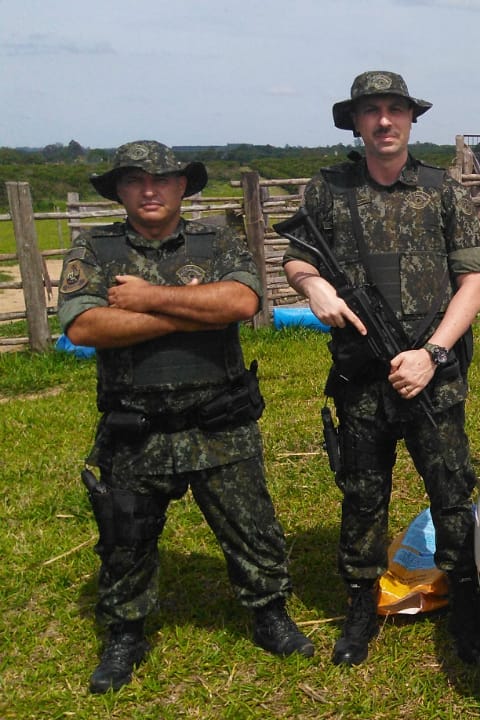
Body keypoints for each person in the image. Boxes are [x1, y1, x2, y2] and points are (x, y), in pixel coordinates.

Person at [57, 140, 314, 694]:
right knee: (125, 538)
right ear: (120, 190)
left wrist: (147, 298)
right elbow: (84, 328)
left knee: (253, 528)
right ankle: (125, 631)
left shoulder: (216, 238)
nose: (150, 190)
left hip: (218, 421)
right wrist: (193, 311)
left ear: (182, 187)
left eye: (163, 180)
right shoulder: (94, 250)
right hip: (137, 427)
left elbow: (242, 304)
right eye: (135, 181)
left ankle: (269, 614)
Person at [282, 71, 480, 665]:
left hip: (433, 377)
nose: (383, 121)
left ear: (409, 119)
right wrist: (314, 287)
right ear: (355, 121)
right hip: (361, 382)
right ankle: (360, 604)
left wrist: (433, 354)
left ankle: (467, 603)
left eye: (394, 110)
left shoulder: (442, 189)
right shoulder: (327, 191)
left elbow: (474, 282)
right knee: (362, 495)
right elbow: (297, 256)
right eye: (371, 110)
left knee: (452, 493)